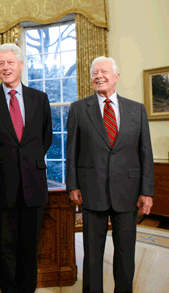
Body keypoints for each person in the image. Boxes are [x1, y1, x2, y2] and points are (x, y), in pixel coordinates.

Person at [66, 56, 154, 293]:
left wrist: (147, 191)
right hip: (91, 191)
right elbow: (71, 150)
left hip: (128, 192)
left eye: (104, 71)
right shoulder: (78, 109)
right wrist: (72, 185)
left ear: (116, 76)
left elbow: (146, 152)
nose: (98, 76)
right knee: (92, 255)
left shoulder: (137, 109)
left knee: (125, 254)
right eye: (94, 72)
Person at [0, 43, 52, 293]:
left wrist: (27, 161)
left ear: (21, 64)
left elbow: (46, 137)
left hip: (34, 183)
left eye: (10, 62)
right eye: (1, 63)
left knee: (30, 245)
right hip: (1, 186)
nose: (6, 67)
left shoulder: (39, 98)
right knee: (6, 246)